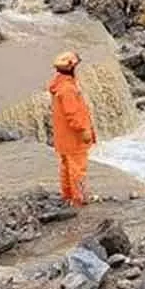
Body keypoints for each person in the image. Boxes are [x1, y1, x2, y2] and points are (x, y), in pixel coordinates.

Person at [48, 51, 97, 207]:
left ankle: (68, 195)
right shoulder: (68, 89)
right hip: (73, 137)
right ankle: (79, 198)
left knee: (67, 166)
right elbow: (73, 114)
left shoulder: (59, 83)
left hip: (63, 138)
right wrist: (84, 130)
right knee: (78, 169)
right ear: (72, 68)